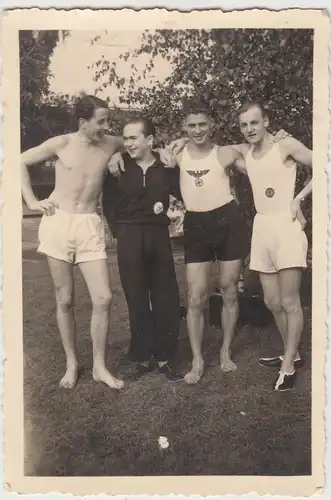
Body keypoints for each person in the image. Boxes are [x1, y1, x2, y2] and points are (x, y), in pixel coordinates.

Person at [21, 94, 129, 390]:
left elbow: (138, 142)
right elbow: (19, 161)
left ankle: (99, 367)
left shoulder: (110, 143)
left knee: (103, 297)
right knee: (65, 299)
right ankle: (72, 364)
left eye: (107, 120)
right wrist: (31, 200)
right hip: (58, 222)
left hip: (89, 226)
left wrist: (120, 154)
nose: (106, 126)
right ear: (83, 122)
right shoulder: (61, 144)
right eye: (101, 121)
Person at [231, 101, 312, 391]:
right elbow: (213, 150)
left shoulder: (285, 145)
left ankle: (288, 365)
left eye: (255, 122)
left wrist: (298, 199)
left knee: (290, 301)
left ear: (266, 121)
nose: (250, 129)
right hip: (262, 227)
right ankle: (295, 353)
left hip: (286, 227)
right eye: (244, 125)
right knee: (272, 301)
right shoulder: (246, 153)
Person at [102, 117, 184, 382]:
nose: (128, 143)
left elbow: (182, 193)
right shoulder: (119, 166)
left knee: (165, 296)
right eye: (125, 139)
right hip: (128, 234)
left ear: (149, 140)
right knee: (136, 296)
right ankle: (140, 356)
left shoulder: (166, 166)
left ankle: (165, 357)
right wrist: (119, 232)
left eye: (133, 138)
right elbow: (109, 203)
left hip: (158, 234)